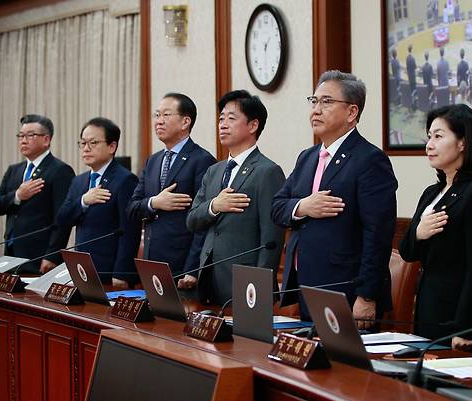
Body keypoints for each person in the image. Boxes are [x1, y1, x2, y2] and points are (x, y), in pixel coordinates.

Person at [271, 70, 397, 326]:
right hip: (306, 283)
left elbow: (378, 234)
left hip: (346, 289)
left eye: (326, 102)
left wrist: (367, 295)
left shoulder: (369, 160)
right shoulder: (307, 157)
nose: (316, 110)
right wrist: (303, 206)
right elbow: (277, 207)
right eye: (313, 101)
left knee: (344, 366)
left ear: (352, 112)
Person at [398, 104, 472, 355]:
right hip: (428, 308)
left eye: (438, 136)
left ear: (463, 143)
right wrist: (418, 233)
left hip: (460, 317)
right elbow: (407, 252)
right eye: (429, 137)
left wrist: (465, 328)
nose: (429, 144)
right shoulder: (431, 193)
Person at [180, 90, 285, 304]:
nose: (223, 124)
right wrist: (214, 206)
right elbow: (192, 219)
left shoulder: (267, 171)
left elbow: (271, 239)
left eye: (231, 118)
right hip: (207, 277)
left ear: (253, 125)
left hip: (244, 283)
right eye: (221, 118)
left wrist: (259, 287)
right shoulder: (214, 171)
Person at [127, 93, 216, 275]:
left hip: (182, 263)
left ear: (185, 122)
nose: (158, 121)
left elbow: (203, 222)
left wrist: (192, 270)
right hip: (151, 259)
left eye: (166, 115)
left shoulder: (202, 160)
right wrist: (154, 203)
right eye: (157, 115)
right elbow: (132, 208)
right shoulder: (153, 161)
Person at [56, 118, 141, 288]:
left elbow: (130, 231)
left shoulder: (125, 180)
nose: (86, 148)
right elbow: (62, 219)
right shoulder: (79, 181)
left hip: (109, 273)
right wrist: (83, 201)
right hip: (81, 268)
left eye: (93, 143)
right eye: (83, 143)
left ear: (112, 146)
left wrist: (121, 273)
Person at [0, 114, 75, 274]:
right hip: (11, 253)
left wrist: (52, 256)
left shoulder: (60, 171)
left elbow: (62, 219)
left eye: (30, 135)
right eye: (21, 135)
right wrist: (17, 196)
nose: (23, 140)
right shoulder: (14, 170)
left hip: (40, 257)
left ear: (46, 140)